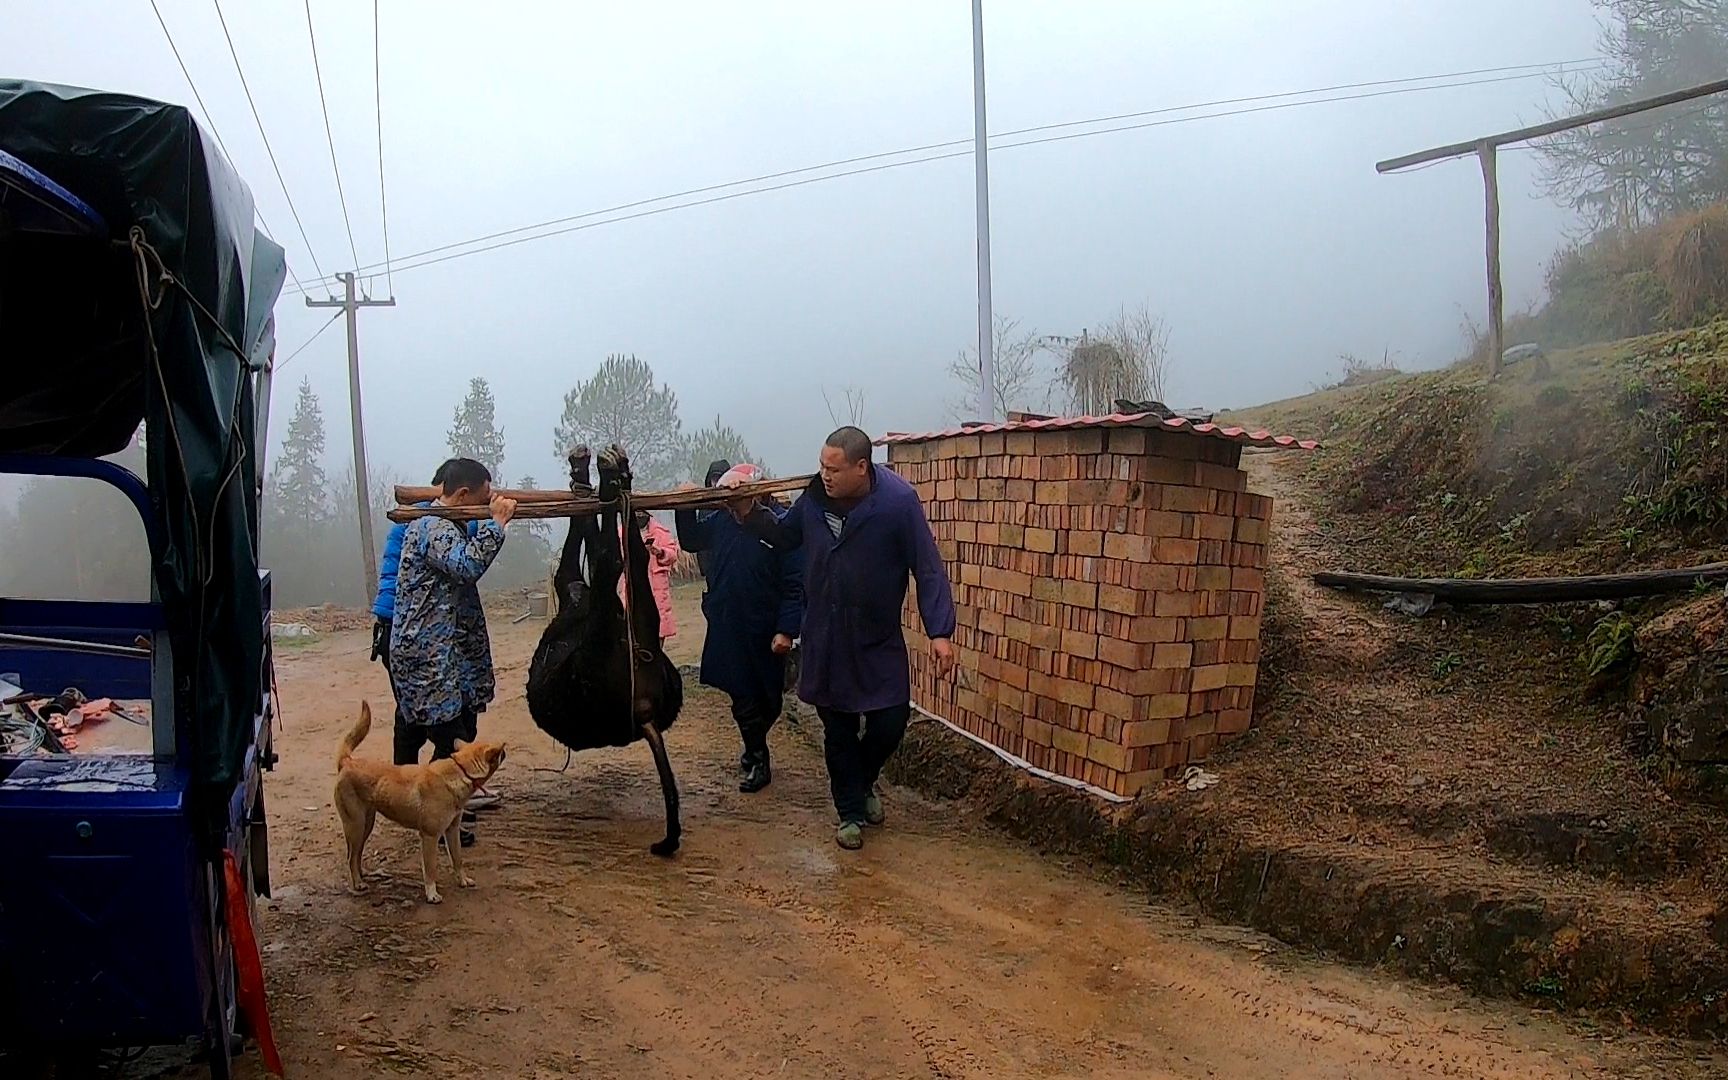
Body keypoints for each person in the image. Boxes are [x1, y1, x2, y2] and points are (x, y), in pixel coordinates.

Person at [732, 427, 954, 849]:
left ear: (861, 467)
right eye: (821, 466)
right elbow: (783, 536)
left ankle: (862, 781)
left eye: (833, 469)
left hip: (877, 639)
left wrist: (939, 631)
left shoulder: (897, 504)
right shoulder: (814, 502)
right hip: (826, 639)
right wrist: (748, 512)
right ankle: (850, 812)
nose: (824, 476)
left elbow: (926, 566)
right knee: (838, 732)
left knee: (890, 723)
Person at [387, 458, 517, 846]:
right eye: (481, 498)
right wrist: (496, 526)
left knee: (453, 728)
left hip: (446, 656)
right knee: (450, 741)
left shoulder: (445, 524)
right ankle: (435, 821)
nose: (485, 503)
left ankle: (425, 811)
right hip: (426, 657)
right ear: (462, 495)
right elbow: (467, 565)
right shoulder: (431, 528)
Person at [676, 463, 804, 793]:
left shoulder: (778, 525)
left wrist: (787, 630)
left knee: (770, 700)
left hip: (766, 626)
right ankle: (759, 759)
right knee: (742, 694)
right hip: (726, 621)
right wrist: (684, 505)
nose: (732, 505)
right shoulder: (720, 521)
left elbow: (794, 583)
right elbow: (690, 539)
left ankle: (753, 744)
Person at [617, 509, 681, 646]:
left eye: (642, 514)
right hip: (631, 583)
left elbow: (673, 555)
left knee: (657, 630)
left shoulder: (661, 532)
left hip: (656, 586)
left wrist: (659, 552)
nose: (640, 517)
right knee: (630, 626)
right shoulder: (621, 532)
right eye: (636, 514)